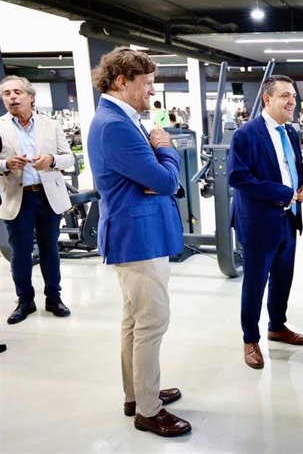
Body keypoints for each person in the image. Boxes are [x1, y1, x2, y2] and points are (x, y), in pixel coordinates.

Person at [87, 46, 191, 438]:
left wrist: (154, 174)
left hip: (137, 232)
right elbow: (165, 181)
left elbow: (154, 183)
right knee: (152, 322)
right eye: (146, 84)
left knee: (134, 321)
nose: (152, 91)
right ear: (121, 82)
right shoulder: (115, 124)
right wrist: (165, 147)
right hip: (138, 237)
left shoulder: (121, 120)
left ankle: (137, 392)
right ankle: (148, 410)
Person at [228, 74, 303, 370]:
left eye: (293, 95)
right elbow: (238, 177)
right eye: (285, 96)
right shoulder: (246, 134)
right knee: (255, 283)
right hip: (259, 222)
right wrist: (284, 193)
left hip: (288, 220)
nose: (292, 101)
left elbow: (296, 168)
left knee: (283, 278)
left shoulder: (290, 132)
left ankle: (277, 326)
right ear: (267, 99)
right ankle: (250, 339)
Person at [0, 75, 73, 325]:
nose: (12, 97)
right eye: (7, 93)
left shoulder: (50, 125)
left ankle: (54, 297)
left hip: (47, 196)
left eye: (17, 92)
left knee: (50, 249)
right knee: (20, 253)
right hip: (17, 198)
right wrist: (5, 164)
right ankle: (25, 301)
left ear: (31, 97)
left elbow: (69, 158)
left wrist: (51, 160)